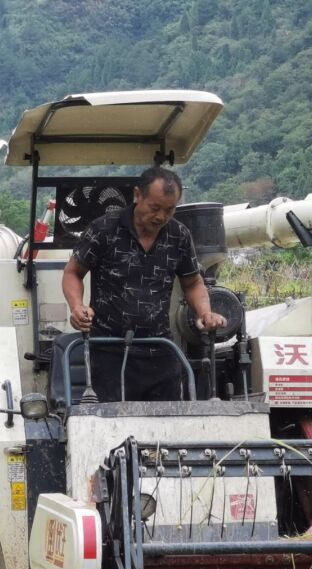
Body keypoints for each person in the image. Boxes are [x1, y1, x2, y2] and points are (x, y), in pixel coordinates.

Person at [62, 166, 226, 401]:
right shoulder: (104, 229)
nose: (160, 217)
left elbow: (192, 283)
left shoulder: (179, 235)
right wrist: (77, 306)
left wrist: (205, 312)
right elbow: (73, 273)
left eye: (170, 210)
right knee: (113, 426)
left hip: (160, 349)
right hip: (109, 350)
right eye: (155, 207)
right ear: (138, 195)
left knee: (167, 428)